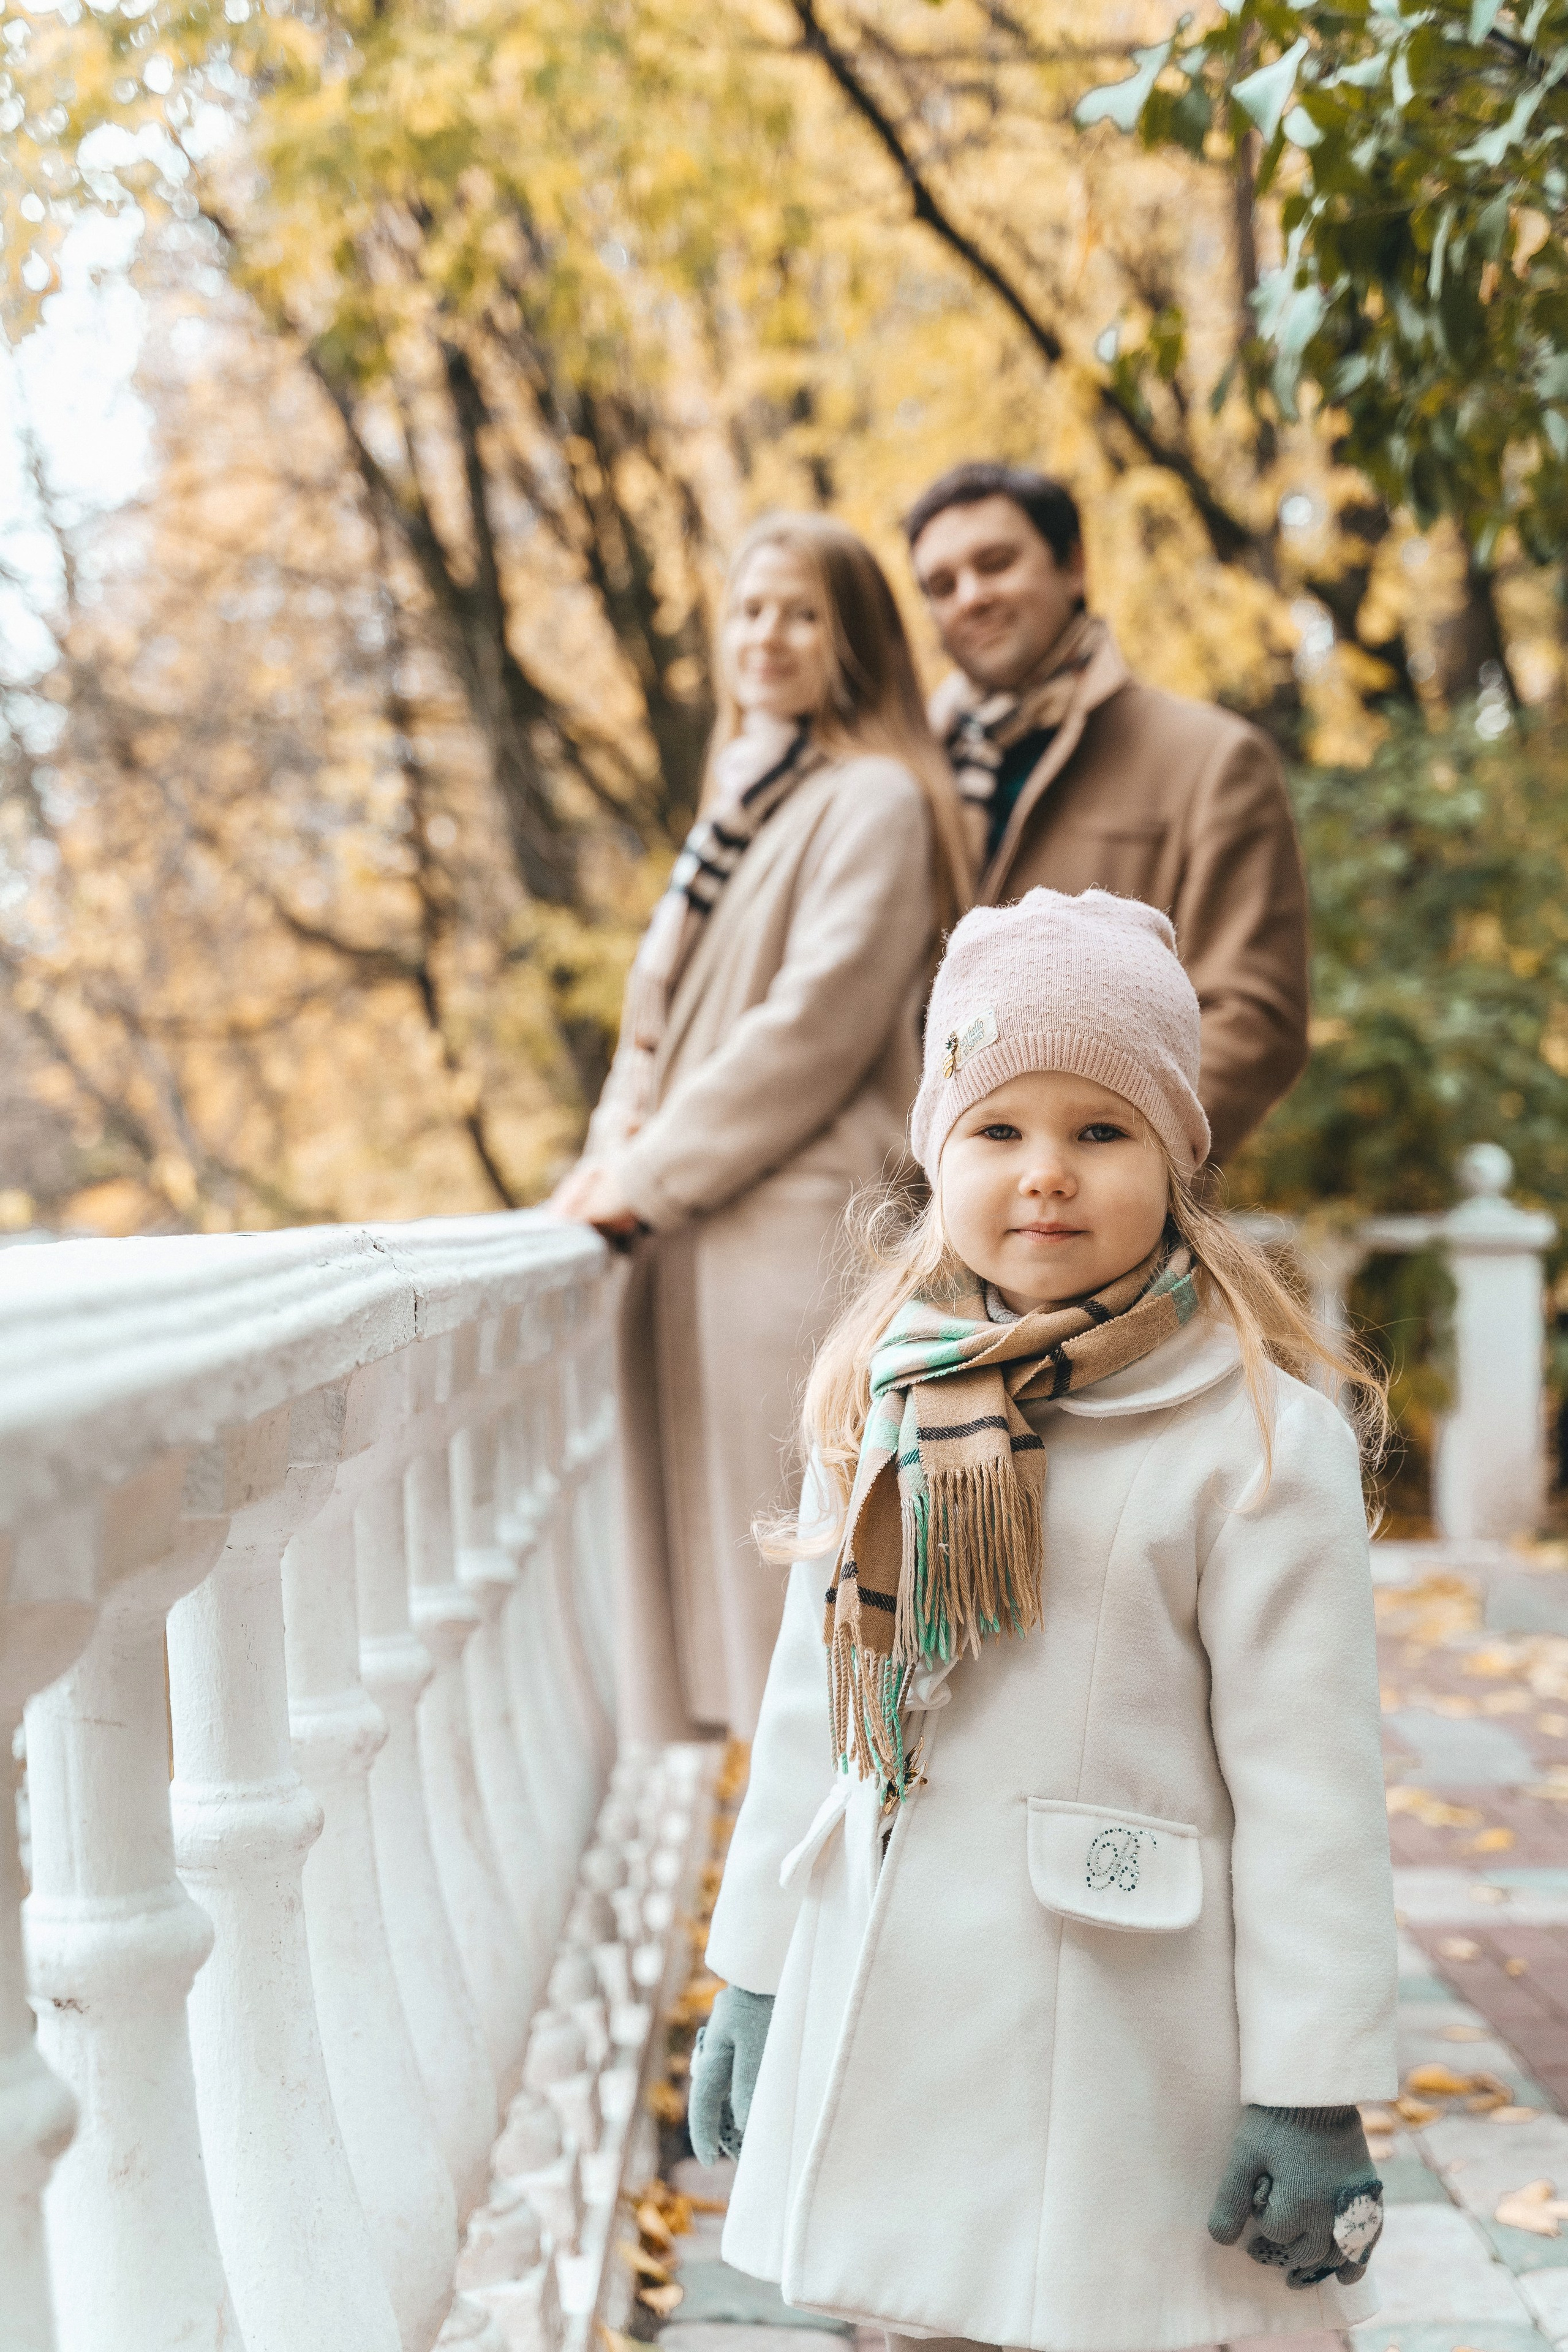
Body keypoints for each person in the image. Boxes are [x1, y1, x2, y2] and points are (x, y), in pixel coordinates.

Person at [689, 888, 1397, 2349]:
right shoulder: (892, 1390)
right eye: (998, 1130)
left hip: (1114, 2013)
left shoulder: (1253, 1439)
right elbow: (804, 1706)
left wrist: (1308, 2080)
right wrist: (753, 1967)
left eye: (1099, 1130)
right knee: (914, 2312)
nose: (1044, 1176)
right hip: (899, 2010)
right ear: (937, 1152)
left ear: (1175, 1159)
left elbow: (1307, 1787)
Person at [552, 513, 971, 1745]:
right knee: (712, 1618)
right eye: (746, 611)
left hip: (780, 1244)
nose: (766, 638)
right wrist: (602, 1161)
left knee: (792, 1612)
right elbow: (652, 1025)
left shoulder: (876, 801)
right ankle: (757, 1888)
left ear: (850, 638)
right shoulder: (737, 804)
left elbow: (812, 1026)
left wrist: (645, 1175)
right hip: (686, 1236)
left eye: (799, 612)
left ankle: (818, 1898)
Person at [908, 460, 1311, 1167]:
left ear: (1072, 566)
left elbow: (1253, 1022)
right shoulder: (904, 776)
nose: (970, 597)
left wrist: (1113, 1169)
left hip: (1104, 1238)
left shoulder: (1209, 759)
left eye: (995, 564)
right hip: (897, 1224)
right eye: (941, 585)